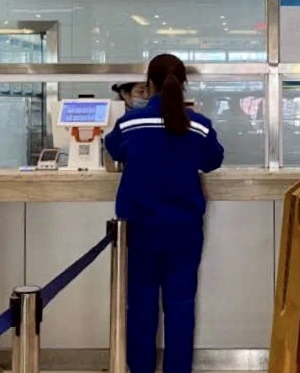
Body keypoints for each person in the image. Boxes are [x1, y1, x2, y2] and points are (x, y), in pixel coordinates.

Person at [105, 54, 225, 373]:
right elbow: (213, 161)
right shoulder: (198, 126)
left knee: (140, 304)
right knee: (181, 305)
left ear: (149, 84)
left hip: (138, 229)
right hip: (183, 230)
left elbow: (113, 149)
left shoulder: (130, 122)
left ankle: (141, 368)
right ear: (183, 83)